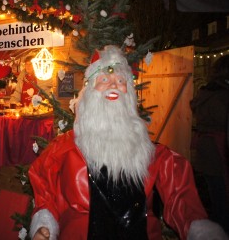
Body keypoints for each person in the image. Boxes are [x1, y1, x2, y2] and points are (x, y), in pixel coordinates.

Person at [28, 45, 228, 240]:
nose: (114, 84)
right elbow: (43, 181)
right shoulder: (65, 147)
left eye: (121, 79)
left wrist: (197, 226)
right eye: (104, 78)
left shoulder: (150, 153)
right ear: (89, 92)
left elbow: (179, 194)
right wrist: (45, 221)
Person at [190, 54, 229, 234]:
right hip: (219, 153)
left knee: (217, 199)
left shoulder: (206, 93)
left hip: (208, 153)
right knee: (221, 203)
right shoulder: (222, 96)